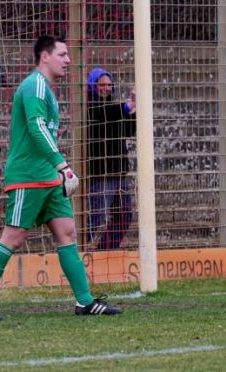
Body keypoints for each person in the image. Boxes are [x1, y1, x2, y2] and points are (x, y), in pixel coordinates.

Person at [0, 35, 122, 321]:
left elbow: (45, 134)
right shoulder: (34, 86)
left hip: (49, 177)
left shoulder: (47, 90)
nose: (68, 60)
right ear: (45, 56)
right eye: (62, 54)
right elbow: (37, 129)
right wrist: (63, 166)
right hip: (28, 177)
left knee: (67, 233)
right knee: (13, 238)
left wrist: (58, 170)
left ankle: (85, 301)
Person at [86, 67, 136, 250]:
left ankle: (103, 251)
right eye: (101, 85)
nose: (106, 88)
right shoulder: (91, 108)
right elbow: (105, 112)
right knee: (94, 220)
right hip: (101, 174)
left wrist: (133, 111)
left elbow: (129, 131)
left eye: (109, 85)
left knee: (124, 216)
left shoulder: (115, 109)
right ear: (93, 86)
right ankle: (75, 251)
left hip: (118, 172)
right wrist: (126, 106)